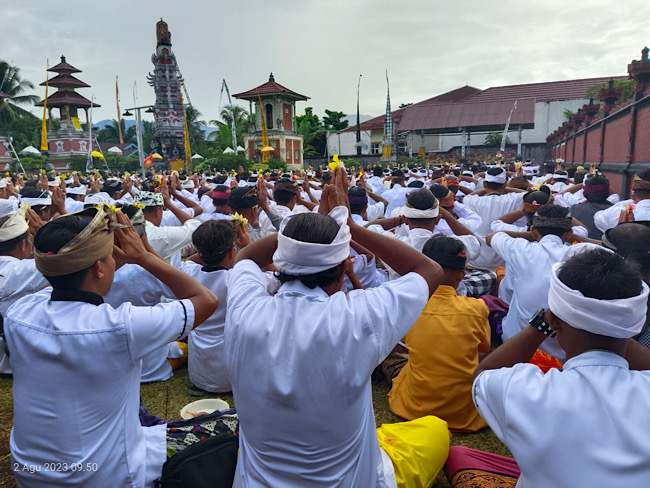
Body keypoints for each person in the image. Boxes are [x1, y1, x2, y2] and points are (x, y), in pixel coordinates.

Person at [225, 168, 449, 487]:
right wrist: (347, 226)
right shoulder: (359, 316)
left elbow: (246, 255)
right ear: (345, 268)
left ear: (282, 261)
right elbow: (428, 269)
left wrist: (307, 229)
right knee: (435, 430)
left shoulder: (245, 309)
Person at [5, 206, 219, 487]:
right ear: (98, 267)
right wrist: (142, 257)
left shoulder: (19, 313)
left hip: (31, 472)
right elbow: (206, 299)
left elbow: (67, 277)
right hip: (101, 476)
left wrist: (101, 257)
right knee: (227, 429)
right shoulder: (121, 326)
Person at [467, 248, 650, 487]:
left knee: (461, 456)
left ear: (554, 319)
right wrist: (615, 325)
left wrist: (541, 324)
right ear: (638, 323)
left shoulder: (523, 391)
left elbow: (483, 374)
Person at [388, 235, 490, 432]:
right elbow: (483, 349)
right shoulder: (477, 308)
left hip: (415, 407)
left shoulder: (410, 306)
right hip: (463, 412)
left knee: (396, 360)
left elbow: (404, 343)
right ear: (461, 275)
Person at [487, 204, 574, 360]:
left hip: (515, 346)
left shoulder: (520, 248)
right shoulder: (580, 253)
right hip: (563, 354)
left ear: (534, 231)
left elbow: (491, 236)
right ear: (569, 234)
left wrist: (530, 235)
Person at [0, 208, 49, 375]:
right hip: (15, 362)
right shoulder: (26, 270)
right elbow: (69, 259)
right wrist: (46, 233)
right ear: (22, 245)